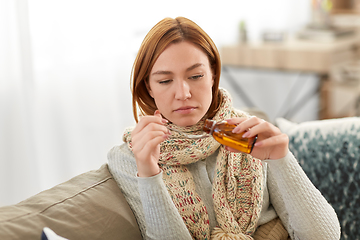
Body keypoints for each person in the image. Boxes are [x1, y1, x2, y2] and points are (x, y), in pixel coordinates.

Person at [108, 17, 340, 240]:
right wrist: (149, 172)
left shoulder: (249, 132)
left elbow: (325, 237)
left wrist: (282, 159)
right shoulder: (130, 156)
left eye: (196, 76)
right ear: (148, 87)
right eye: (165, 81)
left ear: (213, 76)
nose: (183, 94)